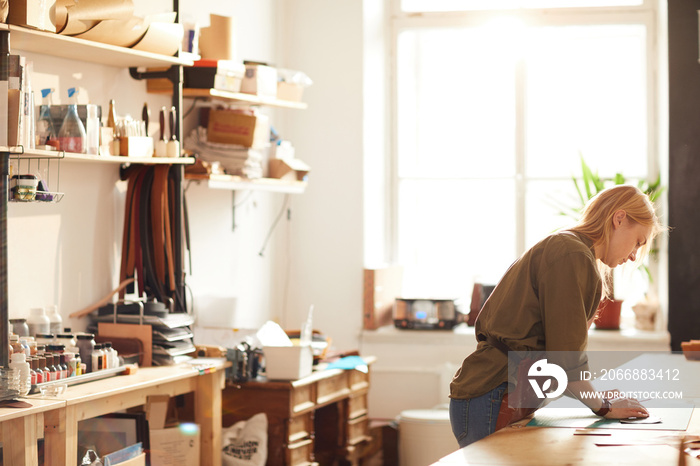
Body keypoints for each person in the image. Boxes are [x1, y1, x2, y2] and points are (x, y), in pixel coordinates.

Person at [449, 184, 664, 448]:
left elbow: (558, 359)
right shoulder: (571, 253)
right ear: (619, 219)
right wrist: (603, 406)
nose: (633, 256)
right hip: (492, 394)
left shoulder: (573, 251)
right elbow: (565, 360)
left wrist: (596, 397)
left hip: (494, 394)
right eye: (637, 242)